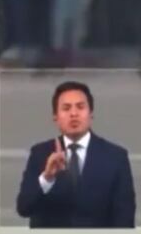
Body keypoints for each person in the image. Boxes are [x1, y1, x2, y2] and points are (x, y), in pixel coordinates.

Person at [16, 81, 135, 228]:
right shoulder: (40, 154)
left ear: (91, 113)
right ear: (55, 116)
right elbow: (24, 208)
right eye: (66, 108)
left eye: (80, 107)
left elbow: (124, 219)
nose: (74, 114)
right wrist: (47, 178)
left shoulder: (116, 157)